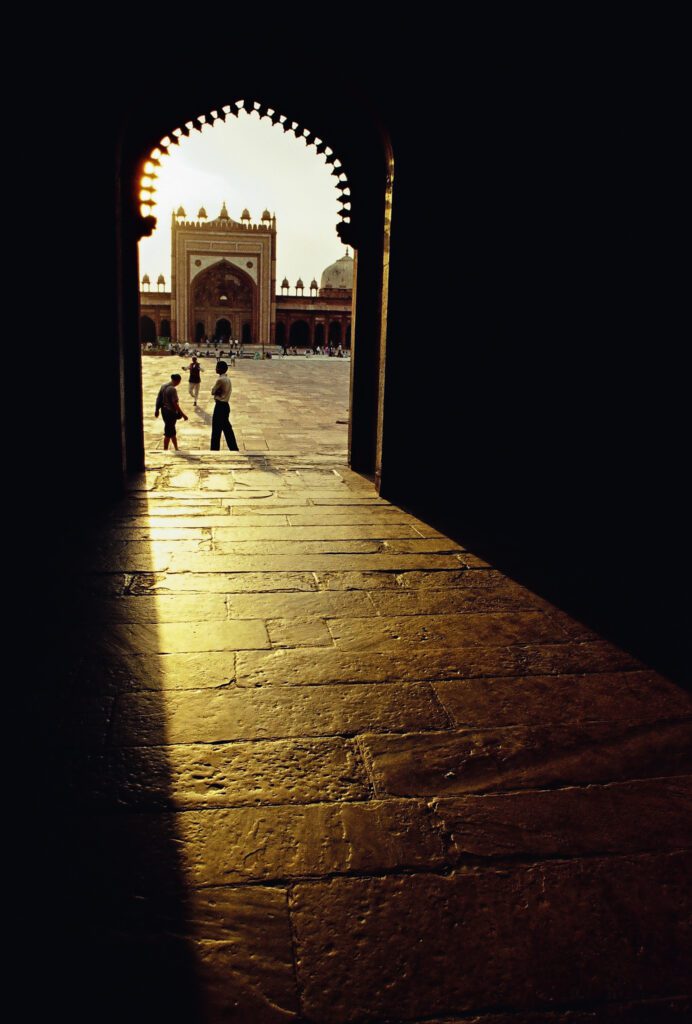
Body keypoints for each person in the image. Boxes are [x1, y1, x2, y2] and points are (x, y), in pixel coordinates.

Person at [210, 360, 239, 451]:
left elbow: (213, 391)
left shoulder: (220, 380)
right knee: (227, 429)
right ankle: (233, 448)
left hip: (220, 406)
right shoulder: (227, 379)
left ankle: (214, 450)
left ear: (220, 369)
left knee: (216, 430)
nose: (215, 369)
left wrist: (216, 392)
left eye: (217, 367)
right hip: (225, 406)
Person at [155, 373, 188, 451]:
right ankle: (165, 449)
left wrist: (157, 410)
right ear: (178, 381)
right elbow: (175, 404)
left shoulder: (163, 386)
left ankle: (176, 448)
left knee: (172, 430)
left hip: (164, 411)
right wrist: (183, 415)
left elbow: (158, 399)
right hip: (170, 413)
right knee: (168, 432)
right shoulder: (172, 389)